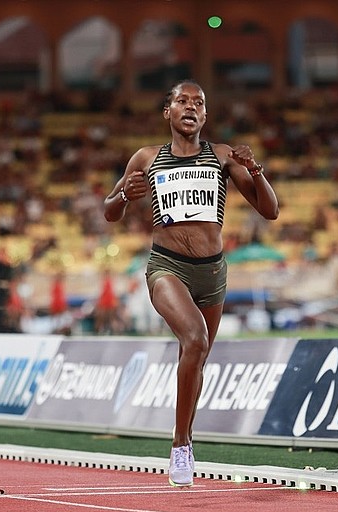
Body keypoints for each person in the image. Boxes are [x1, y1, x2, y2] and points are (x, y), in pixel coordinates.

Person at [103, 80, 279, 486]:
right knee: (195, 340)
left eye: (199, 102)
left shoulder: (221, 156)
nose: (191, 107)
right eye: (182, 101)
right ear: (167, 112)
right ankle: (180, 444)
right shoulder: (147, 157)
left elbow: (270, 211)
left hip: (213, 273)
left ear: (205, 115)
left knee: (197, 356)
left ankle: (187, 434)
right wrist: (124, 197)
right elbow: (110, 212)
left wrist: (254, 169)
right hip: (167, 266)